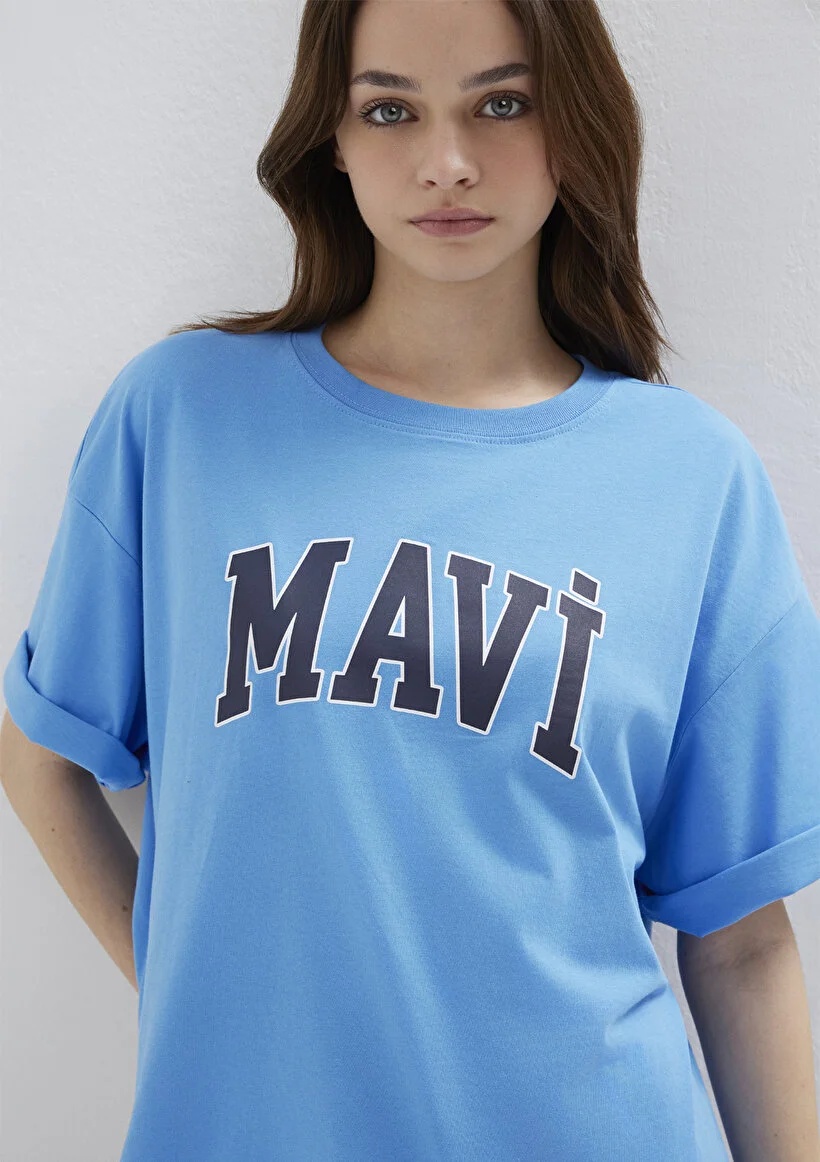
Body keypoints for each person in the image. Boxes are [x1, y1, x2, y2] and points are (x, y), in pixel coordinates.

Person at [2, 1, 819, 1159]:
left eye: (503, 103)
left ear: (574, 125)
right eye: (390, 110)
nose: (447, 163)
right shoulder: (180, 419)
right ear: (330, 139)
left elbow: (739, 942)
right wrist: (198, 1005)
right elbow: (39, 752)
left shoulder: (691, 477)